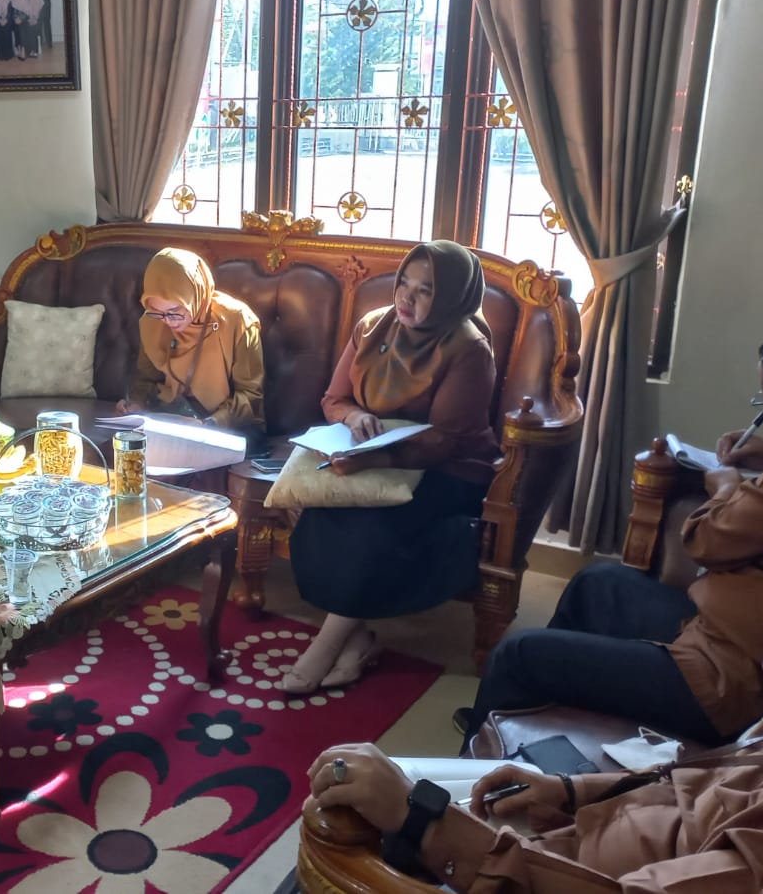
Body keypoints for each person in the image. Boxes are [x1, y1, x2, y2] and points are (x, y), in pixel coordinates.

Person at [309, 508, 763, 893]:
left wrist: (423, 821)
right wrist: (572, 792)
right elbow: (698, 789)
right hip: (560, 837)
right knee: (362, 778)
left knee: (331, 825)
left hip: (526, 873)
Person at [465, 315, 763, 746]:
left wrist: (725, 487)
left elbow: (706, 540)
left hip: (728, 676)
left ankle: (475, 759)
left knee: (519, 653)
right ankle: (529, 721)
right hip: (723, 630)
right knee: (597, 583)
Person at [280, 240, 499, 695]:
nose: (407, 298)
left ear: (452, 296)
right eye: (404, 283)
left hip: (450, 470)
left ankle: (326, 644)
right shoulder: (372, 326)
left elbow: (446, 440)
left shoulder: (469, 348)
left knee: (374, 526)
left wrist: (374, 459)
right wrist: (355, 417)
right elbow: (334, 399)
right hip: (374, 457)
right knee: (322, 512)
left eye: (425, 290)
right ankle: (357, 640)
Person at [119, 247, 265, 440]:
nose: (168, 321)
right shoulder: (152, 322)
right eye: (157, 311)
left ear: (195, 295)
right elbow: (146, 378)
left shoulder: (237, 321)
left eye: (175, 311)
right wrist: (136, 404)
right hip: (171, 419)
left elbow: (250, 395)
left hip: (226, 426)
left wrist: (209, 424)